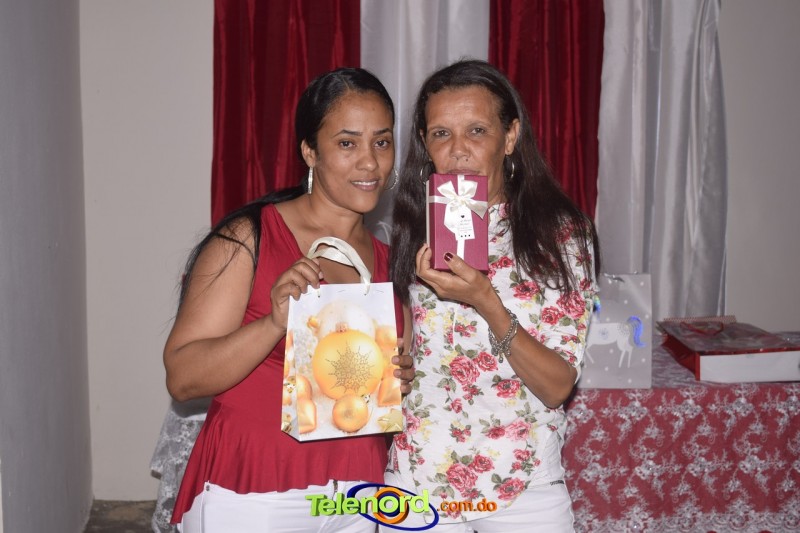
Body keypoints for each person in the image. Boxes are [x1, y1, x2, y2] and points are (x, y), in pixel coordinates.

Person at [165, 67, 413, 532]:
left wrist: (401, 377)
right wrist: (274, 323)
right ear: (309, 151)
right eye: (347, 143)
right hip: (254, 489)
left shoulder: (390, 262)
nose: (369, 162)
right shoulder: (250, 238)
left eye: (381, 142)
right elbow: (182, 378)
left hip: (358, 493)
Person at [385, 59, 600, 532]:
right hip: (419, 475)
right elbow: (404, 349)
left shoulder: (559, 236)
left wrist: (486, 300)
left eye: (477, 130)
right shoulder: (410, 228)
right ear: (424, 143)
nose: (458, 149)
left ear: (510, 136)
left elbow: (557, 386)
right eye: (441, 134)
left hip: (523, 479)